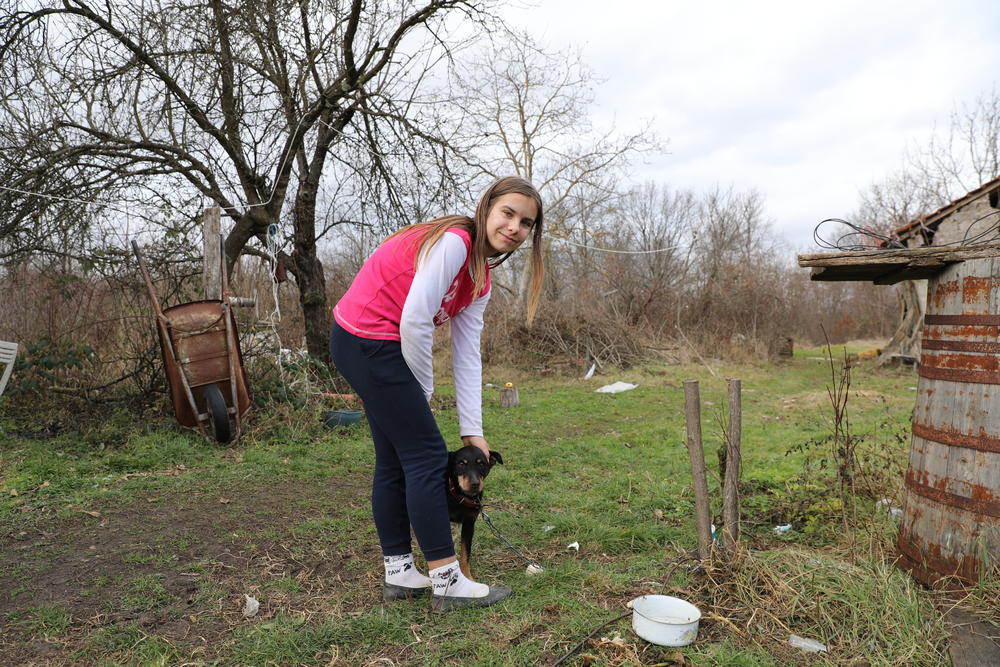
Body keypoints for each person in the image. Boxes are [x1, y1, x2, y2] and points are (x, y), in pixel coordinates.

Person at [329, 177, 544, 612]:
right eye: (508, 213)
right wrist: (422, 390)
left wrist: (473, 431)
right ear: (487, 208)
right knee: (426, 455)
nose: (515, 228)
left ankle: (401, 574)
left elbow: (467, 356)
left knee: (395, 459)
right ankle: (448, 580)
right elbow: (414, 319)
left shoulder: (479, 281)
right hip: (367, 339)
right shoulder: (454, 244)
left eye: (526, 223)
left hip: (371, 345)